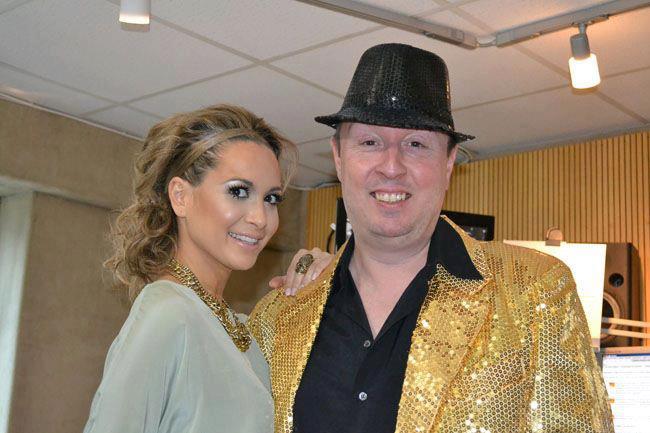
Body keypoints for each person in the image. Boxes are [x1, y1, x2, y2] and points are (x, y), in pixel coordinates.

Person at [248, 43, 614, 433]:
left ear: (449, 162)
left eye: (416, 144)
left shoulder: (532, 290)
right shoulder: (277, 316)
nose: (392, 166)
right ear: (338, 157)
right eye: (370, 142)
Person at [84, 104, 308, 433]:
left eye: (271, 199)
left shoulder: (234, 325)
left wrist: (325, 282)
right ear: (181, 197)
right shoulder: (168, 313)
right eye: (239, 191)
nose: (260, 218)